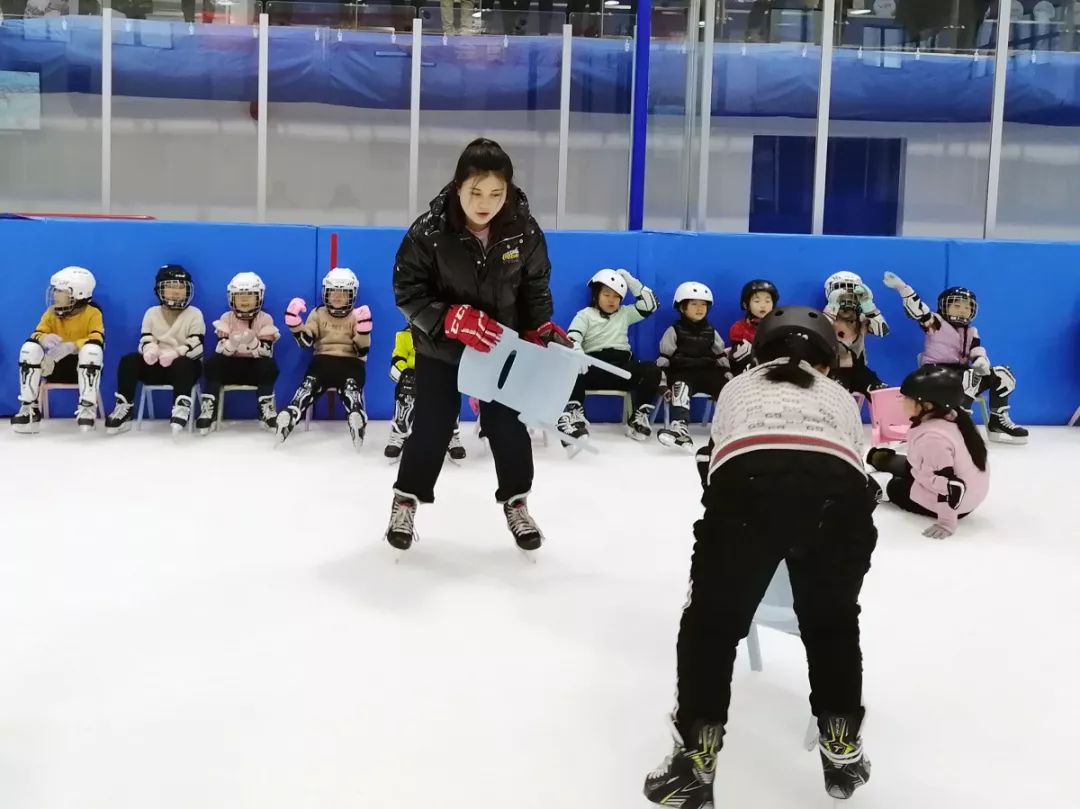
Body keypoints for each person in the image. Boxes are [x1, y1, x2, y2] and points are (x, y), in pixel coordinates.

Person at [645, 306, 878, 808]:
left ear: (761, 352)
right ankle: (841, 743)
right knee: (833, 623)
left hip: (749, 486)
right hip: (837, 496)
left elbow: (714, 465)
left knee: (711, 626)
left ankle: (695, 760)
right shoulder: (839, 395)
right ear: (827, 362)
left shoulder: (737, 388)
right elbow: (855, 466)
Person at [386, 137, 568, 554]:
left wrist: (537, 328)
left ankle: (517, 502)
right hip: (440, 348)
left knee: (507, 426)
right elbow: (406, 291)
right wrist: (447, 317)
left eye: (496, 193)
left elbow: (535, 285)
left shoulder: (524, 230)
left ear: (508, 190)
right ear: (457, 186)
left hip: (499, 347)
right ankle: (406, 501)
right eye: (475, 192)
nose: (485, 203)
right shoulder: (428, 232)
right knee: (432, 425)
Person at [882, 271, 1028, 443]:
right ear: (944, 306)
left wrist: (981, 360)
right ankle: (958, 423)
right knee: (969, 377)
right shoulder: (935, 323)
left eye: (967, 307)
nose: (963, 310)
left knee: (1003, 373)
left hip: (963, 373)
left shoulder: (971, 331)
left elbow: (976, 349)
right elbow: (919, 310)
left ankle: (997, 419)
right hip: (935, 374)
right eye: (957, 305)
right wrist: (903, 289)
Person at [867, 365, 989, 539]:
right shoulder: (952, 416)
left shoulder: (933, 439)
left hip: (956, 503)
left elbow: (951, 486)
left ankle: (882, 478)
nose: (902, 401)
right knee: (879, 458)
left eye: (907, 398)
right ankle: (876, 459)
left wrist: (946, 523)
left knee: (884, 483)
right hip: (963, 489)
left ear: (927, 405)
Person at [555, 268, 661, 446]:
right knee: (572, 365)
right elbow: (571, 339)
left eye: (617, 296)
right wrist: (578, 353)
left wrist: (630, 281)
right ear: (596, 295)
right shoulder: (585, 315)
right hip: (594, 368)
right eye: (607, 294)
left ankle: (638, 417)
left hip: (622, 368)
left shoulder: (625, 313)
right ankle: (574, 414)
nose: (612, 300)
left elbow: (651, 305)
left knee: (651, 369)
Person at [275, 267, 372, 449]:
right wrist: (295, 324)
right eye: (333, 292)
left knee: (351, 388)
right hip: (323, 360)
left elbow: (362, 350)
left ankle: (356, 416)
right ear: (325, 293)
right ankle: (292, 413)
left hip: (351, 362)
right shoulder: (318, 313)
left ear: (352, 295)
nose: (336, 297)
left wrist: (364, 329)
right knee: (309, 385)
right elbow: (307, 342)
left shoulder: (357, 315)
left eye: (343, 293)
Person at [106, 265, 205, 435]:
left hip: (184, 367)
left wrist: (176, 353)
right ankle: (124, 407)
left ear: (188, 290)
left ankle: (181, 407)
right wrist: (150, 350)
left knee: (184, 364)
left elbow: (197, 346)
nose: (176, 292)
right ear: (160, 290)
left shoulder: (194, 314)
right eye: (170, 287)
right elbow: (145, 339)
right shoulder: (151, 313)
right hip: (156, 364)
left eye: (181, 287)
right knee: (128, 360)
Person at [12, 266, 105, 434]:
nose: (55, 294)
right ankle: (29, 407)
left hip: (82, 367)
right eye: (55, 290)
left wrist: (73, 345)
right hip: (54, 365)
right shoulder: (51, 312)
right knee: (29, 348)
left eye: (60, 291)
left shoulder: (93, 313)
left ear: (78, 293)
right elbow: (37, 333)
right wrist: (43, 339)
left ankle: (87, 407)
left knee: (92, 350)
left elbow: (98, 338)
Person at [196, 272, 281, 434]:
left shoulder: (265, 319)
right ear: (231, 298)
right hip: (231, 367)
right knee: (213, 363)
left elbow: (267, 352)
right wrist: (232, 343)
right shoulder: (226, 318)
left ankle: (266, 409)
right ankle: (209, 410)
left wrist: (253, 343)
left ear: (259, 297)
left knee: (269, 365)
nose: (244, 300)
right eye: (239, 296)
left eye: (249, 296)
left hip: (255, 369)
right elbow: (220, 350)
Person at [656, 281, 731, 451]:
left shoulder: (711, 331)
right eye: (694, 304)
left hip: (708, 372)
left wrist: (728, 375)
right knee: (680, 389)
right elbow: (664, 358)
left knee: (727, 389)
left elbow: (720, 355)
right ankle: (680, 429)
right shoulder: (674, 331)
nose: (700, 308)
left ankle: (731, 427)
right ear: (682, 307)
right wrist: (661, 381)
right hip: (683, 373)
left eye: (703, 304)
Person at [384, 323, 466, 463]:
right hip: (413, 378)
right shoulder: (403, 336)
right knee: (406, 388)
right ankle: (399, 433)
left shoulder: (446, 337)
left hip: (437, 376)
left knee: (449, 390)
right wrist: (404, 374)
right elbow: (396, 362)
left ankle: (451, 435)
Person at [822, 271, 889, 396]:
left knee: (882, 393)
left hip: (860, 370)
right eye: (842, 293)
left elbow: (883, 331)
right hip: (833, 370)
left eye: (851, 293)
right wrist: (832, 308)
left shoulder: (862, 319)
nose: (847, 297)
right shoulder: (825, 319)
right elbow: (818, 332)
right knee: (836, 396)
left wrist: (869, 306)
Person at [728, 278, 778, 376]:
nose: (763, 306)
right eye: (757, 301)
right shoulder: (738, 327)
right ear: (746, 305)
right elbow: (738, 359)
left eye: (767, 301)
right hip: (747, 375)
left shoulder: (778, 325)